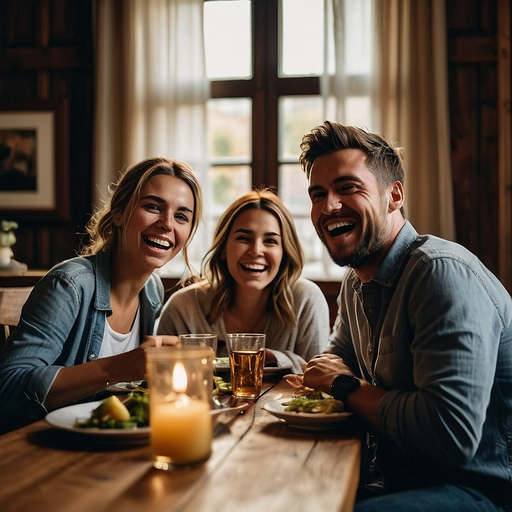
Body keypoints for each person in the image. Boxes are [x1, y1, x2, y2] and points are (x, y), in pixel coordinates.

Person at [289, 121, 512, 511]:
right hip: (392, 478)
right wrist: (340, 378)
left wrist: (345, 386)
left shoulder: (441, 273)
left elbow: (449, 434)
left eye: (348, 187)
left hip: (478, 491)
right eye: (318, 193)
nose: (328, 206)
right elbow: (333, 361)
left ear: (394, 195)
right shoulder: (355, 283)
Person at [0, 156, 202, 433]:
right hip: (38, 452)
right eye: (153, 207)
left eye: (181, 216)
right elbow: (8, 390)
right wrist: (118, 368)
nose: (167, 224)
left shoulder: (152, 290)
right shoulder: (69, 285)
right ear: (119, 213)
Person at [157, 188, 330, 373]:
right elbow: (160, 378)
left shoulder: (306, 300)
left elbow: (318, 380)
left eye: (270, 241)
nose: (256, 251)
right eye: (244, 238)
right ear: (223, 248)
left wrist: (273, 358)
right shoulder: (182, 308)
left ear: (284, 252)